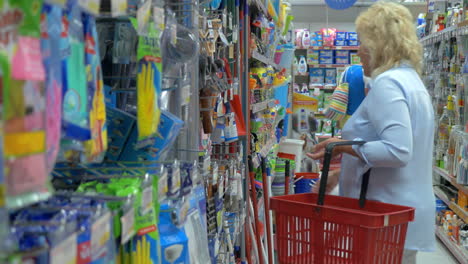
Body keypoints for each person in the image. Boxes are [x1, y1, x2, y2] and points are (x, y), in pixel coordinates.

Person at [308, 2, 435, 264]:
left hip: (384, 215)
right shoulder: (410, 81)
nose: (358, 50)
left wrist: (342, 147)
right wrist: (339, 174)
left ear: (379, 44)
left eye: (363, 42)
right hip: (399, 212)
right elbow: (387, 146)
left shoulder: (388, 84)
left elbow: (397, 151)